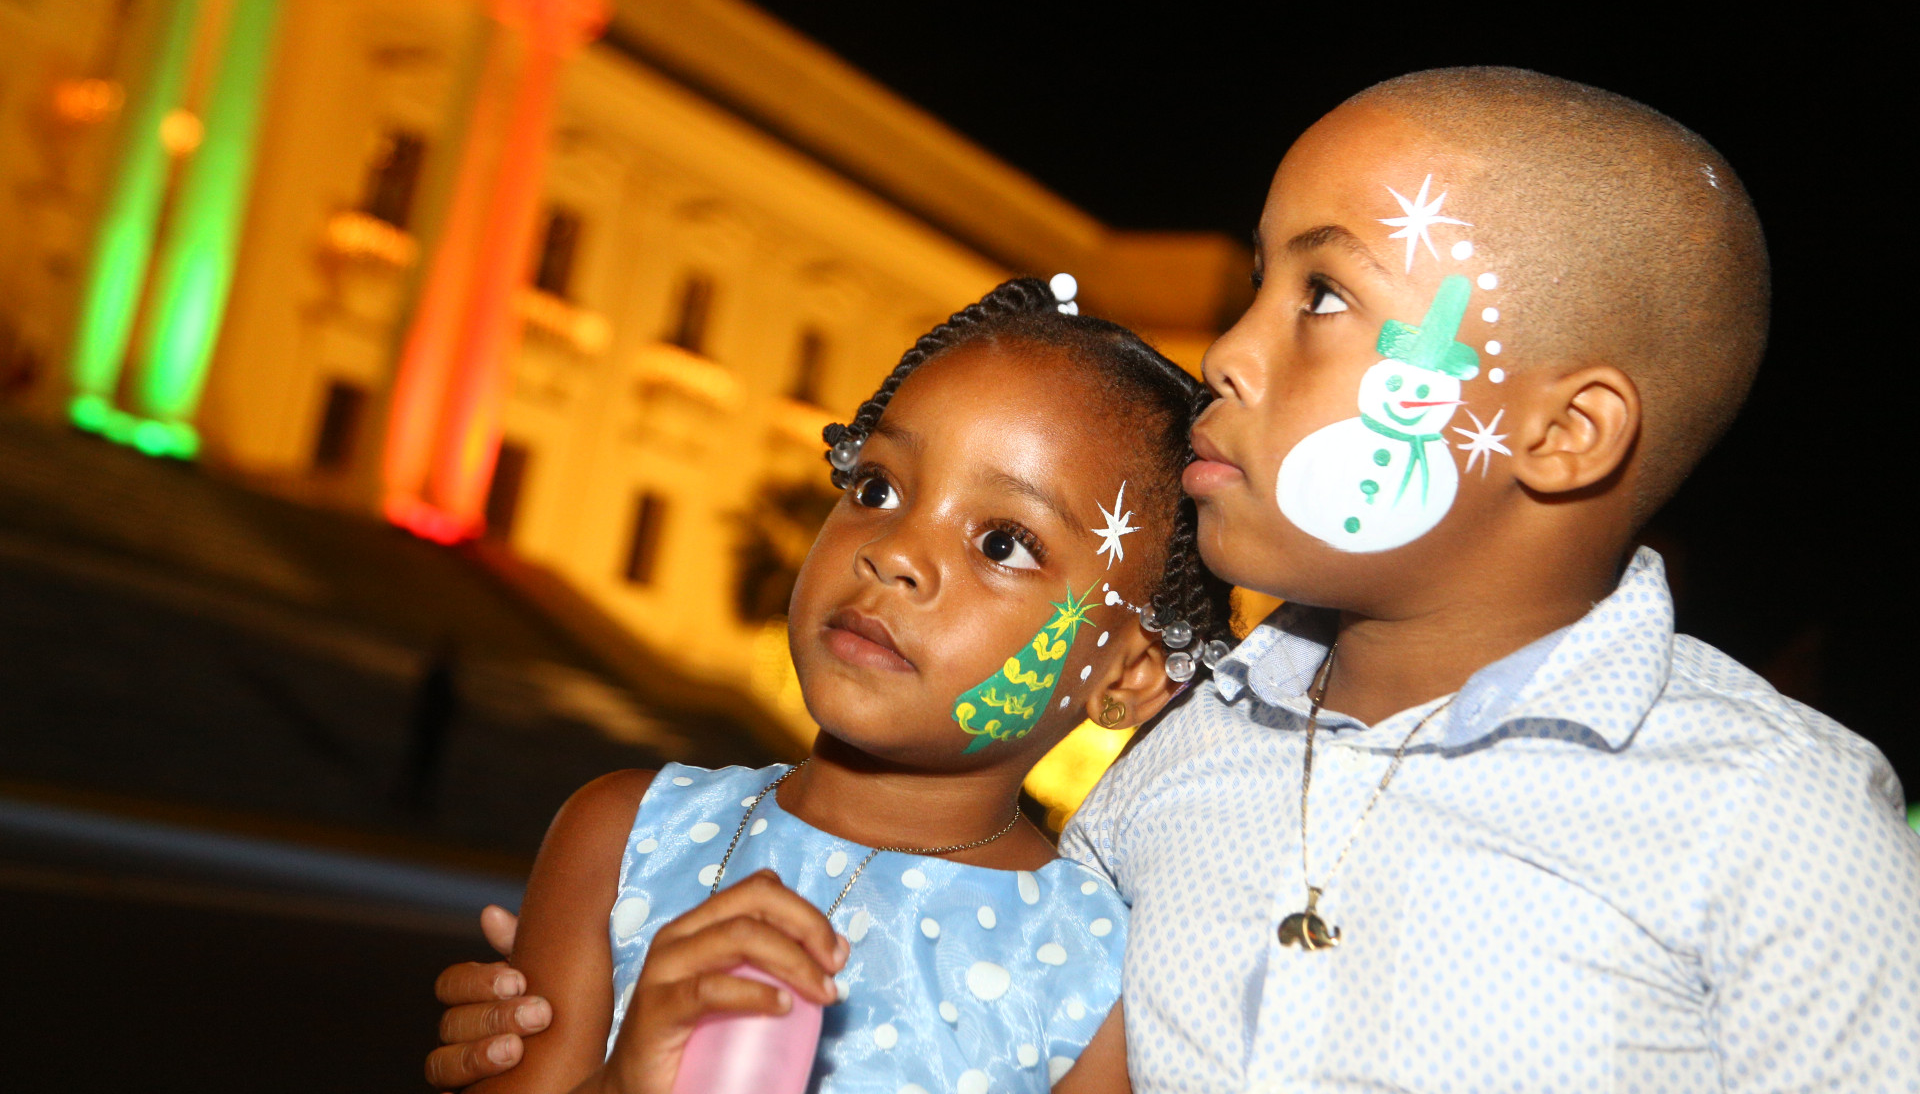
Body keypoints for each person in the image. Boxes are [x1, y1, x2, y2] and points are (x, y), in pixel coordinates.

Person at [431, 68, 1920, 1088]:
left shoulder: (1775, 813)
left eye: (1326, 294)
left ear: (1564, 431)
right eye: (1260, 281)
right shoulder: (1157, 785)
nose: (1230, 351)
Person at [437, 277, 1233, 1093]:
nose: (893, 552)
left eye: (1002, 543)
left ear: (1132, 671)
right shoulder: (622, 834)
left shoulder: (1102, 983)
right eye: (878, 488)